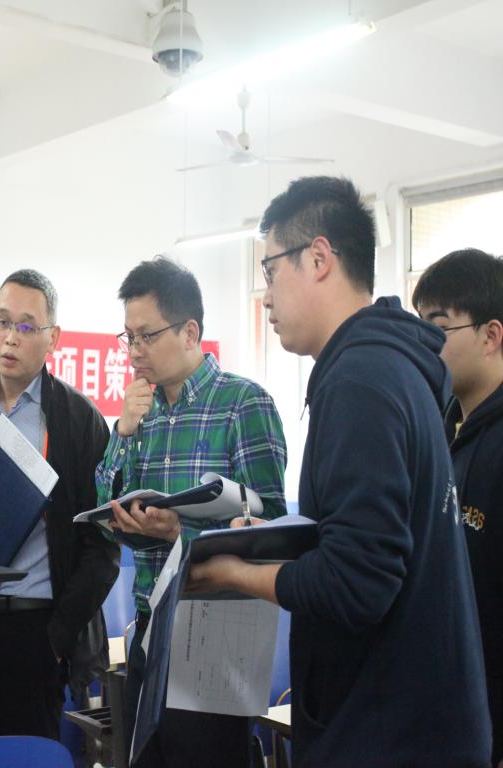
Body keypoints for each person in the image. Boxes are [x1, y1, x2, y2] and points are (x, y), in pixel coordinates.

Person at [189, 176, 492, 767]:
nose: (265, 297)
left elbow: (359, 583)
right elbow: (372, 541)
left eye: (271, 270)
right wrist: (280, 544)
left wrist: (235, 574)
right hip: (414, 723)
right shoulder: (390, 366)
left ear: (319, 258)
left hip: (390, 735)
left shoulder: (361, 381)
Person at [94, 255, 287, 767]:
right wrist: (122, 433)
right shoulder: (141, 411)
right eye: (128, 337)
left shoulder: (243, 404)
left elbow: (271, 531)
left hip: (218, 629)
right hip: (148, 624)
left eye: (146, 336)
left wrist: (180, 529)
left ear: (189, 332)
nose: (134, 351)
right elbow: (106, 510)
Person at [0, 269, 120, 743]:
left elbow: (101, 549)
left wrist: (57, 639)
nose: (10, 337)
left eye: (27, 326)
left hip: (33, 632)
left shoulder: (79, 420)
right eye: (2, 321)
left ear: (54, 337)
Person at [412, 248, 503, 768]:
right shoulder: (440, 429)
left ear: (491, 336)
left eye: (440, 327)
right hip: (446, 707)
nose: (425, 342)